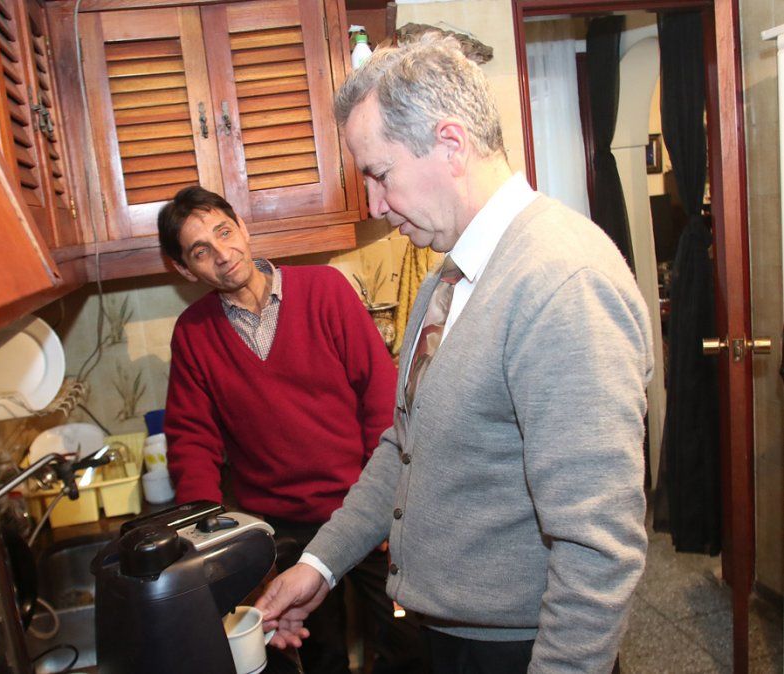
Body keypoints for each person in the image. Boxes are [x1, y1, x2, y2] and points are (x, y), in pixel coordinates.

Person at [255, 34, 654, 674]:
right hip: (450, 637)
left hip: (524, 651)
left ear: (450, 143)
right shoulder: (449, 277)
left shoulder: (562, 282)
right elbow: (405, 445)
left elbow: (598, 546)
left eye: (380, 175)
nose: (376, 206)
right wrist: (321, 563)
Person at [157, 186, 429, 674]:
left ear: (243, 227)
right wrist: (208, 542)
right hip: (285, 532)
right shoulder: (193, 334)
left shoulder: (324, 289)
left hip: (365, 512)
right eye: (201, 251)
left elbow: (379, 399)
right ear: (185, 269)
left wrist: (389, 503)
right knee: (318, 655)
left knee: (407, 646)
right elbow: (192, 443)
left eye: (224, 232)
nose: (223, 254)